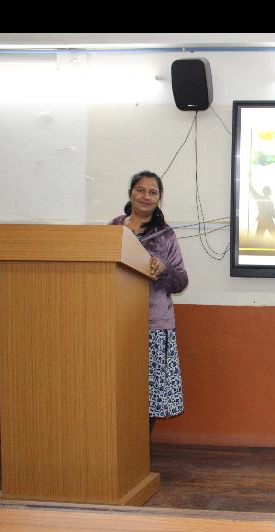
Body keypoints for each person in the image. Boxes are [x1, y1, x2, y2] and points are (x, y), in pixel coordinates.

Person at [110, 170, 188, 433]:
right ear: (130, 193)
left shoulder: (165, 235)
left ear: (159, 198)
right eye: (140, 190)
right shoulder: (113, 229)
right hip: (115, 322)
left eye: (152, 192)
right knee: (116, 388)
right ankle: (116, 446)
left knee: (148, 396)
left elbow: (181, 281)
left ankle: (139, 449)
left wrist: (164, 269)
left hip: (153, 325)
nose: (146, 196)